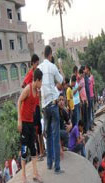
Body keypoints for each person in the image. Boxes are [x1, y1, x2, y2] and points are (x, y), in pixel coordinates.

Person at [38, 45, 64, 174]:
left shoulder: (39, 68)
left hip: (44, 107)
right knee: (55, 135)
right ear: (50, 54)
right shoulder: (52, 67)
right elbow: (61, 80)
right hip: (53, 105)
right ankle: (57, 167)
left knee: (47, 135)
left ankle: (49, 163)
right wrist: (60, 68)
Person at [17, 68, 44, 183]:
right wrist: (19, 120)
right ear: (37, 80)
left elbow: (34, 109)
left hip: (31, 124)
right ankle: (23, 176)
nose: (41, 84)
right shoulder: (28, 89)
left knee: (33, 149)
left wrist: (36, 124)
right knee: (24, 150)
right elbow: (19, 101)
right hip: (24, 123)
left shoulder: (37, 93)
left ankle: (35, 173)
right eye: (41, 81)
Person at [22, 54, 44, 160]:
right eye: (36, 64)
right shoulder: (31, 74)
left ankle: (41, 151)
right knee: (34, 131)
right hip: (32, 107)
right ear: (33, 63)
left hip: (37, 105)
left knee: (39, 129)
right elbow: (23, 84)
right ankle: (38, 152)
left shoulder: (37, 74)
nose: (37, 65)